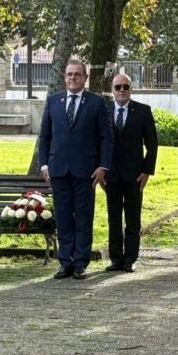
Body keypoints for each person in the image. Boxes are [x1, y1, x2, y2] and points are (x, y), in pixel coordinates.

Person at [37, 59, 112, 280]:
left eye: (77, 74)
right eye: (69, 74)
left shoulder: (96, 103)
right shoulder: (53, 102)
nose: (72, 78)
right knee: (62, 217)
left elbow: (106, 138)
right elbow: (45, 136)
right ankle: (65, 261)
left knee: (83, 217)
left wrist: (103, 166)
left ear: (85, 78)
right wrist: (44, 164)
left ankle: (80, 262)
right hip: (58, 170)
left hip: (86, 171)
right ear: (64, 77)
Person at [104, 73, 158, 273]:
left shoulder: (143, 111)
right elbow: (98, 142)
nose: (121, 91)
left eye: (125, 86)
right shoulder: (105, 110)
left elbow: (152, 144)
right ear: (112, 89)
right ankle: (116, 258)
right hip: (111, 175)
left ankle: (131, 258)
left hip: (135, 175)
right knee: (114, 218)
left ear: (131, 89)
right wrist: (101, 170)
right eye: (118, 87)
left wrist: (147, 171)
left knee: (133, 219)